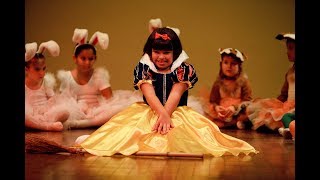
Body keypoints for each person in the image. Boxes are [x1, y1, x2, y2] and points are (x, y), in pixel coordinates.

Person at [75, 27, 258, 157]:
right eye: (156, 52)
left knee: (182, 136)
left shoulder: (183, 69)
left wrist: (166, 115)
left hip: (176, 111)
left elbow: (176, 94)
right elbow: (149, 94)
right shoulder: (144, 67)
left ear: (175, 53)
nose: (161, 57)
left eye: (166, 53)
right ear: (150, 51)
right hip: (150, 110)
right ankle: (98, 140)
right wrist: (160, 114)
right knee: (129, 132)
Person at [57, 28, 142, 129]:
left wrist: (96, 109)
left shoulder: (98, 75)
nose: (87, 62)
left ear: (95, 59)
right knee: (63, 111)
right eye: (83, 58)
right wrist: (80, 109)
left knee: (120, 109)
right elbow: (64, 99)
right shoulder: (67, 77)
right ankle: (80, 122)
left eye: (91, 59)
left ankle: (83, 124)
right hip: (78, 110)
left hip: (97, 111)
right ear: (75, 58)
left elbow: (109, 99)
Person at [246, 33, 295, 133]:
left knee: (286, 117)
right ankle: (287, 128)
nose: (287, 52)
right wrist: (274, 104)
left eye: (291, 48)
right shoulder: (290, 72)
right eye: (287, 49)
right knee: (265, 112)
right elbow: (284, 93)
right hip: (288, 105)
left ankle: (289, 129)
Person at [201, 48, 253, 130]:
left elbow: (248, 101)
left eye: (233, 63)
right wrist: (217, 108)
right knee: (210, 119)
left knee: (247, 115)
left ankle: (239, 123)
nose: (229, 66)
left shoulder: (243, 82)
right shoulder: (218, 83)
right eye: (226, 63)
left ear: (239, 66)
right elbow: (213, 101)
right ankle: (227, 123)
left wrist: (234, 108)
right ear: (221, 64)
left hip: (238, 112)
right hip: (223, 112)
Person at [25, 40, 70, 131]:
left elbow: (52, 99)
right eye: (37, 69)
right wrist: (34, 113)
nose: (42, 73)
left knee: (65, 112)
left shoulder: (45, 82)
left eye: (44, 68)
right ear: (26, 69)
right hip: (31, 114)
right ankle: (47, 126)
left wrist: (44, 110)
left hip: (46, 113)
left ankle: (41, 124)